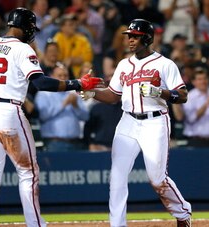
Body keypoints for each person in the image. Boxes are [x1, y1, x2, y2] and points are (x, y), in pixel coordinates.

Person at [0, 7, 103, 227]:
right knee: (28, 172)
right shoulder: (22, 49)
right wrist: (77, 83)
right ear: (25, 27)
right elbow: (41, 83)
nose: (32, 32)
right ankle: (36, 224)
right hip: (8, 111)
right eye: (31, 27)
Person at [80, 19, 192, 227]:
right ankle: (117, 224)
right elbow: (114, 95)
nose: (130, 40)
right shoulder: (124, 64)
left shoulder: (164, 64)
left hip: (155, 121)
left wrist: (161, 92)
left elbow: (183, 95)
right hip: (128, 122)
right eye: (129, 36)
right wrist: (92, 92)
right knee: (117, 177)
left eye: (135, 36)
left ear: (147, 38)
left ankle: (183, 212)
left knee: (157, 179)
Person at [35, 64, 89, 152]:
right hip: (54, 143)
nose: (63, 78)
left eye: (65, 75)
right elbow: (43, 116)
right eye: (59, 75)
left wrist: (76, 106)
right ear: (51, 77)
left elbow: (86, 117)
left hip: (76, 143)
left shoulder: (74, 94)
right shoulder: (43, 94)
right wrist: (63, 104)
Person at [172, 67, 209, 148]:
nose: (203, 81)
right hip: (196, 141)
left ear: (208, 80)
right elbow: (191, 118)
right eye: (199, 79)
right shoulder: (189, 97)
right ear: (194, 82)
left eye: (205, 78)